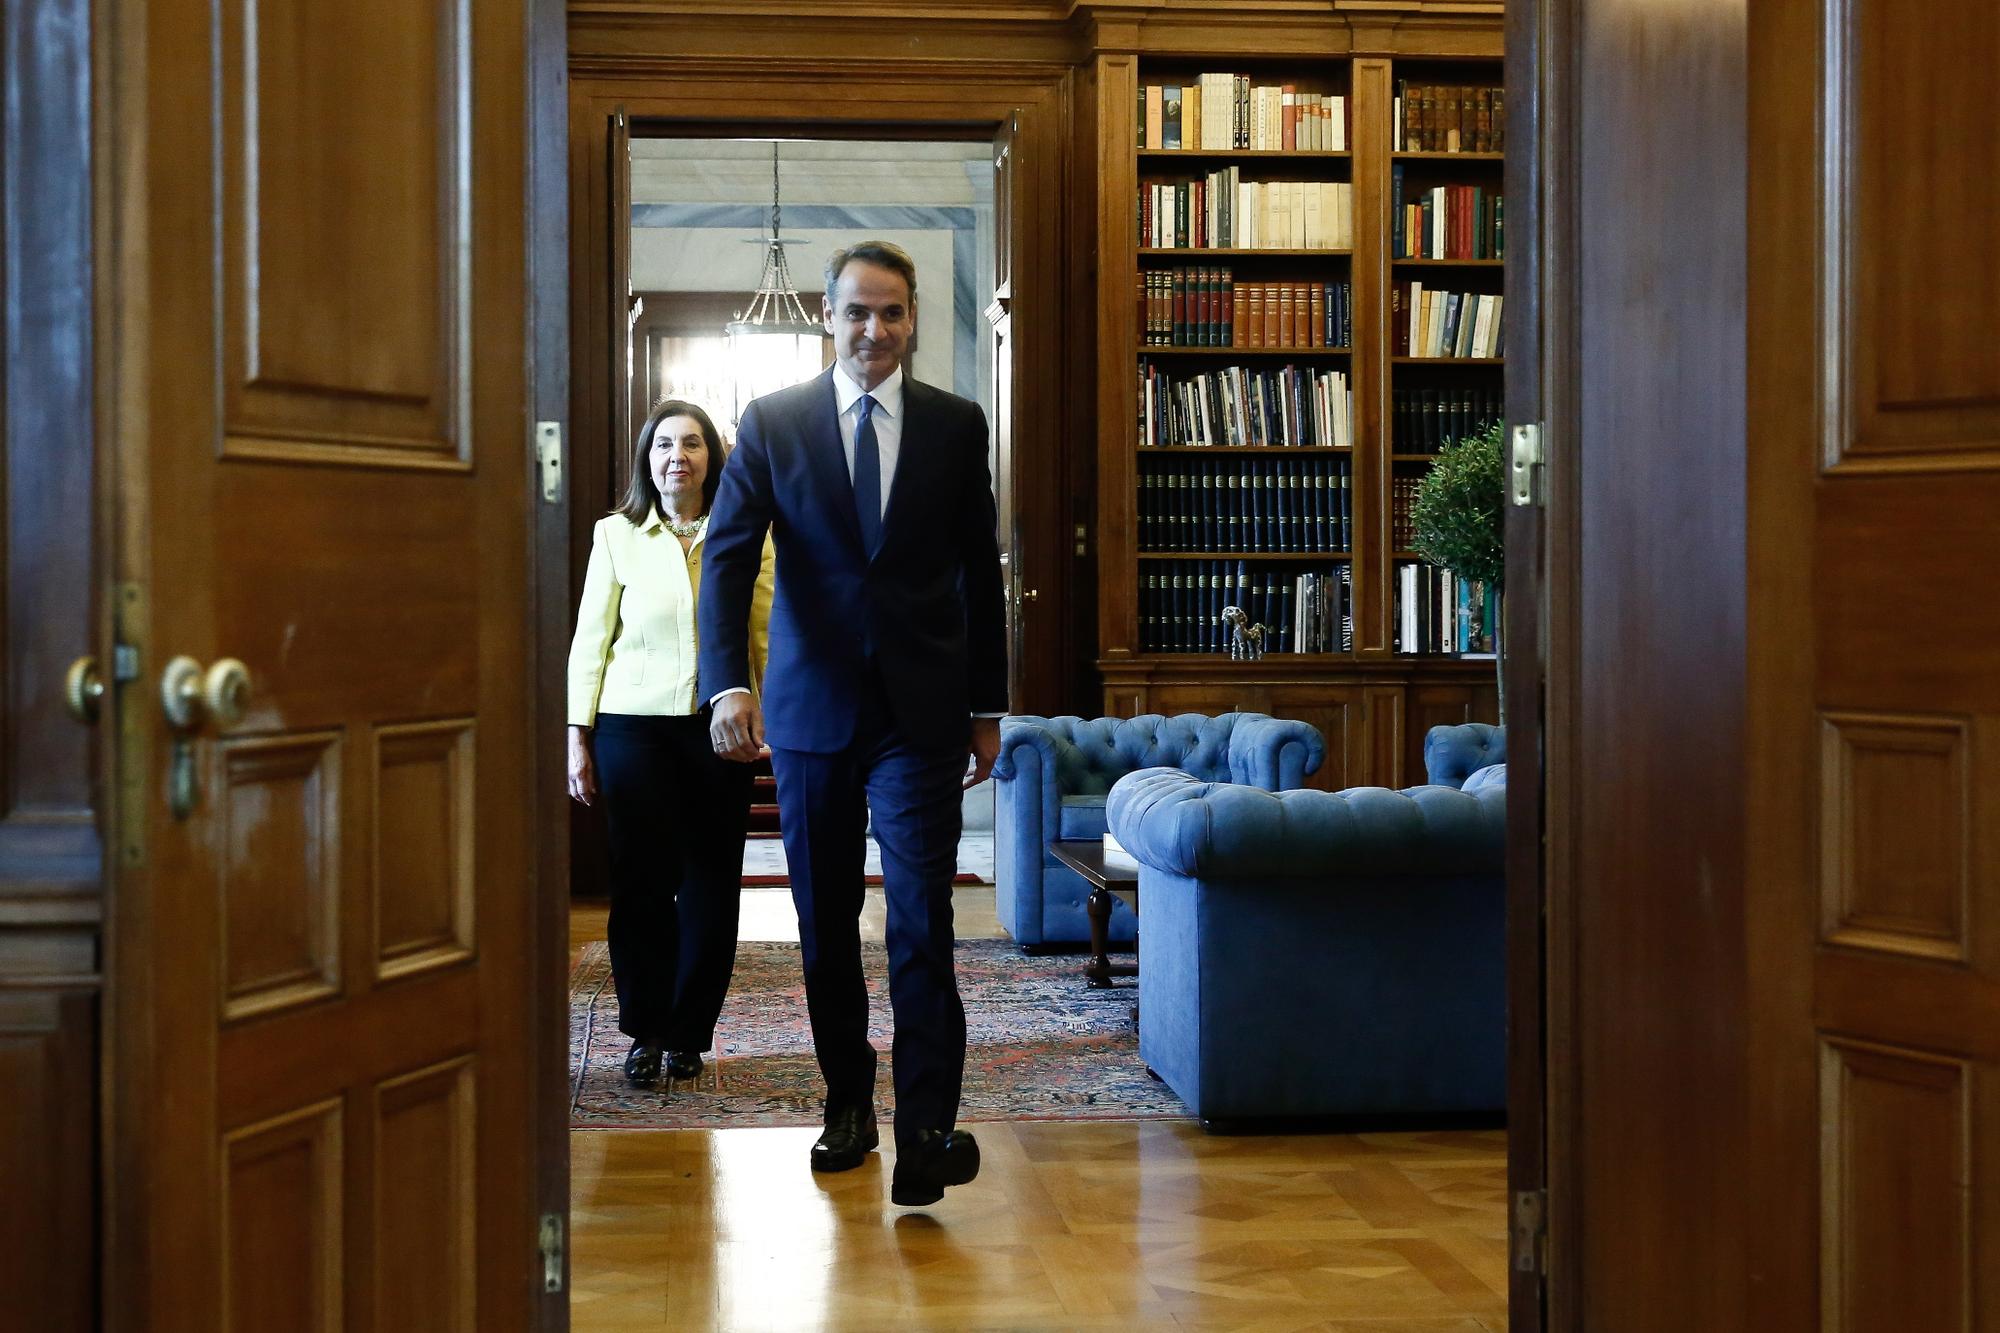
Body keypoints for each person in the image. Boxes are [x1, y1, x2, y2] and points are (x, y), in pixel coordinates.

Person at [699, 241, 1006, 1207]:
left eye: (892, 313)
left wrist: (987, 706)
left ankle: (926, 1127)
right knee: (824, 920)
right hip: (810, 712)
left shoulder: (958, 427)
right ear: (828, 319)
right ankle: (846, 1102)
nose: (874, 330)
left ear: (913, 319)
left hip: (921, 715)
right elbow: (729, 561)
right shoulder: (774, 422)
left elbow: (978, 574)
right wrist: (727, 685)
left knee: (922, 918)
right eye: (856, 313)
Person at [567, 399, 775, 1087]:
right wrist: (578, 736)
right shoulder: (615, 535)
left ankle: (690, 1031)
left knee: (712, 881)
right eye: (663, 444)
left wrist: (770, 715)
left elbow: (766, 631)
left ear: (712, 456)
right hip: (632, 729)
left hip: (716, 728)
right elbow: (590, 643)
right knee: (641, 884)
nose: (676, 456)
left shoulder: (746, 534)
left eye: (691, 443)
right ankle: (644, 1031)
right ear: (646, 458)